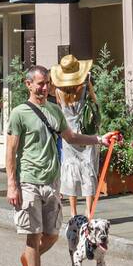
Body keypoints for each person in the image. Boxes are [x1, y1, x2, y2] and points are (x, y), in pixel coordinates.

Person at [6, 64, 114, 266]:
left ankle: (28, 262)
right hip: (28, 181)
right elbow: (10, 152)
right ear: (28, 85)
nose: (44, 88)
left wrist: (99, 139)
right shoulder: (19, 113)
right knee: (33, 237)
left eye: (47, 83)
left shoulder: (54, 110)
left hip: (52, 182)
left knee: (53, 236)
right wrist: (12, 185)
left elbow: (72, 137)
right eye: (40, 84)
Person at [50, 55, 99, 219]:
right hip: (85, 132)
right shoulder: (84, 86)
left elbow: (59, 110)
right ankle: (88, 210)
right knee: (88, 168)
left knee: (70, 168)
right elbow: (95, 102)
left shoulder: (58, 91)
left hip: (68, 133)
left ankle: (73, 212)